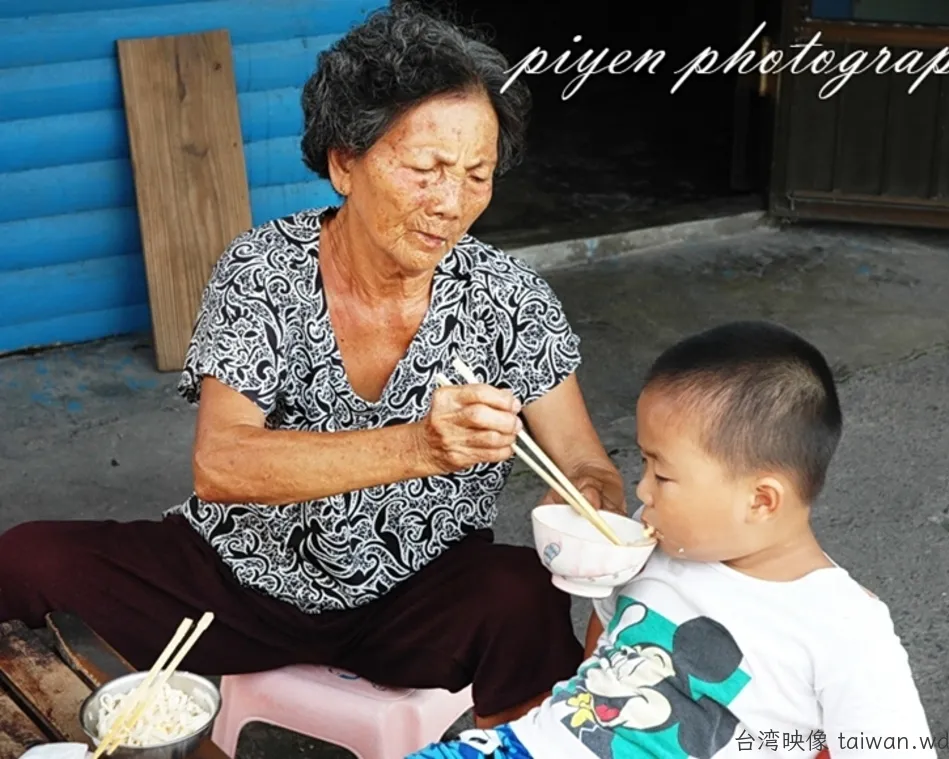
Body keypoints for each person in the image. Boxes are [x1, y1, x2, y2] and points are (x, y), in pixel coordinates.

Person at [0, 4, 626, 728]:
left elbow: (586, 462)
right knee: (25, 561)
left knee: (522, 596)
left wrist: (587, 505)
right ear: (343, 163)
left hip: (420, 596)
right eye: (425, 170)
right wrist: (420, 447)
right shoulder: (264, 270)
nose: (451, 204)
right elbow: (222, 464)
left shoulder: (509, 297)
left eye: (477, 175)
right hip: (236, 580)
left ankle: (513, 745)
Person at [408, 320, 937, 758]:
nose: (642, 490)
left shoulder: (846, 628)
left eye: (662, 475)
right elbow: (602, 648)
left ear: (760, 500)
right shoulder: (654, 544)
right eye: (644, 463)